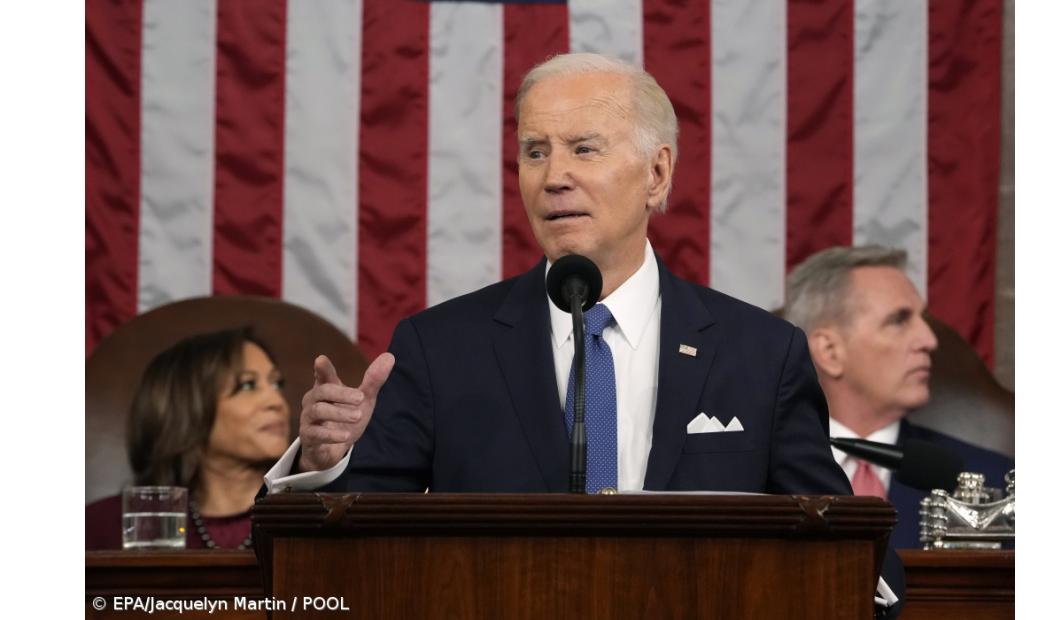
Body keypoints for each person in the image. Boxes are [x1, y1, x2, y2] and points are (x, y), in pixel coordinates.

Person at [265, 53, 902, 613]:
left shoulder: (761, 353)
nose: (553, 176)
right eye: (534, 151)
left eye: (584, 148)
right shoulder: (439, 348)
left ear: (656, 174)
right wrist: (325, 467)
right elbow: (338, 566)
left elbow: (851, 552)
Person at [784, 245, 1014, 549]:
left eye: (923, 319)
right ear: (829, 351)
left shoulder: (994, 483)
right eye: (899, 320)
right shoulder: (752, 477)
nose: (929, 340)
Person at [86, 327, 291, 550]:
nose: (276, 401)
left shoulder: (314, 518)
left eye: (276, 384)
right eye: (248, 385)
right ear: (186, 406)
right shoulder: (100, 528)